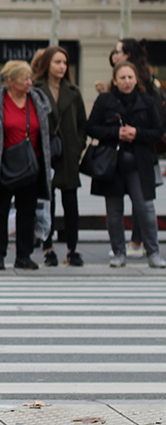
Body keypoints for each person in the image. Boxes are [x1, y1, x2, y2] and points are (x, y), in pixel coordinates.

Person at [0, 60, 52, 271]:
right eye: (25, 79)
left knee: (27, 212)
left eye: (30, 78)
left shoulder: (37, 100)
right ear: (10, 81)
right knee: (0, 211)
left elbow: (46, 132)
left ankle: (23, 256)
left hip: (30, 166)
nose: (30, 82)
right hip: (2, 166)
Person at [86, 61, 165, 268]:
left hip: (139, 164)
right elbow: (91, 128)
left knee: (145, 208)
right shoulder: (105, 101)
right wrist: (115, 133)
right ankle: (118, 252)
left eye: (130, 77)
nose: (127, 82)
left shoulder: (146, 102)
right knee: (114, 211)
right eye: (122, 78)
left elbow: (157, 132)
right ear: (115, 80)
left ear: (136, 80)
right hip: (112, 165)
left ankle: (153, 252)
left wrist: (137, 133)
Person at [32, 46, 86, 267]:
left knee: (71, 202)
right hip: (45, 152)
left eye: (64, 62)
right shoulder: (36, 89)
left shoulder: (73, 91)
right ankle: (48, 247)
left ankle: (73, 249)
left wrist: (78, 146)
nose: (62, 67)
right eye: (57, 62)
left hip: (69, 153)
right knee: (47, 202)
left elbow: (83, 123)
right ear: (47, 64)